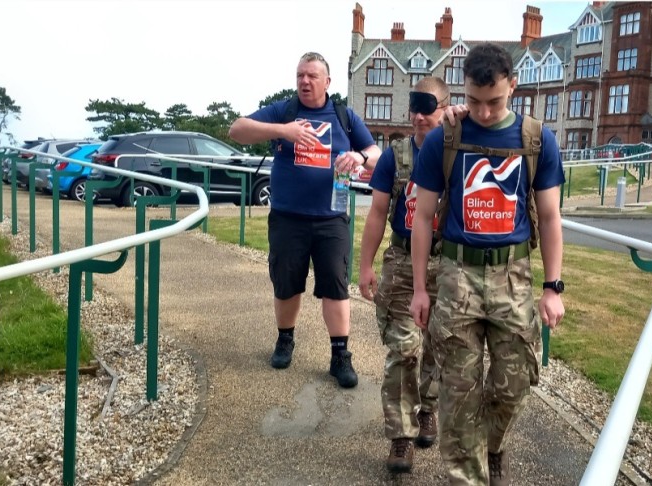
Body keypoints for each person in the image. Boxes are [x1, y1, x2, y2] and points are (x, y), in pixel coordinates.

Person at [408, 42, 565, 485]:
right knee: (458, 393)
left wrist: (552, 287)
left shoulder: (536, 140)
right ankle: (468, 473)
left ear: (513, 86)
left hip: (512, 278)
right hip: (456, 276)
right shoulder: (445, 137)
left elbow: (550, 218)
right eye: (473, 101)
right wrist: (420, 289)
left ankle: (492, 446)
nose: (483, 111)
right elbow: (422, 217)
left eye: (493, 101)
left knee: (513, 385)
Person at [228, 52, 382, 389]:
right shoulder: (284, 111)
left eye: (312, 76)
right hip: (288, 218)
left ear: (328, 82)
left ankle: (340, 355)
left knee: (336, 286)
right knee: (286, 283)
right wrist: (283, 130)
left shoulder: (344, 116)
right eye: (300, 75)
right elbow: (236, 130)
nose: (305, 81)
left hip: (331, 218)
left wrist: (359, 156)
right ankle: (285, 339)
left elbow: (376, 155)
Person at [358, 77, 449, 473]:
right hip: (402, 261)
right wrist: (365, 266)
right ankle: (401, 435)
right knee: (403, 349)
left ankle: (428, 408)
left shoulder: (457, 152)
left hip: (447, 263)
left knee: (439, 346)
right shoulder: (395, 156)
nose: (418, 116)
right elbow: (378, 212)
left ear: (445, 108)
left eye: (427, 108)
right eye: (414, 108)